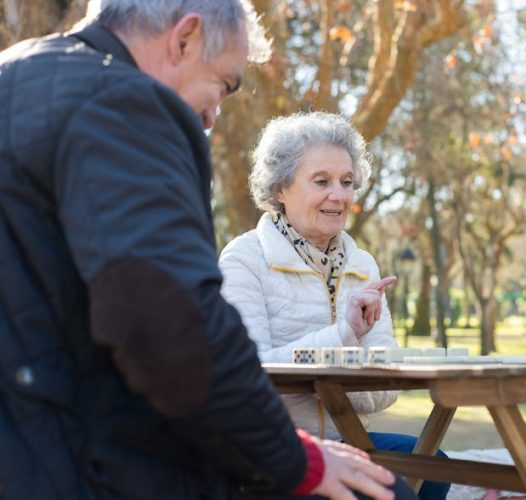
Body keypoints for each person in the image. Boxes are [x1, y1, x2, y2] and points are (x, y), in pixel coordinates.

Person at [0, 1, 416, 499]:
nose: (211, 118)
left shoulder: (15, 74)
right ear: (185, 38)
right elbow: (171, 325)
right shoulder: (127, 104)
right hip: (72, 462)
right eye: (222, 84)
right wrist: (294, 458)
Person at [218, 111, 451, 500]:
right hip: (273, 448)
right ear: (280, 188)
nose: (339, 195)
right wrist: (343, 337)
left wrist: (340, 382)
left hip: (348, 437)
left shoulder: (363, 265)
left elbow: (386, 387)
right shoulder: (244, 259)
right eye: (321, 181)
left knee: (430, 465)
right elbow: (249, 373)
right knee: (395, 491)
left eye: (347, 182)